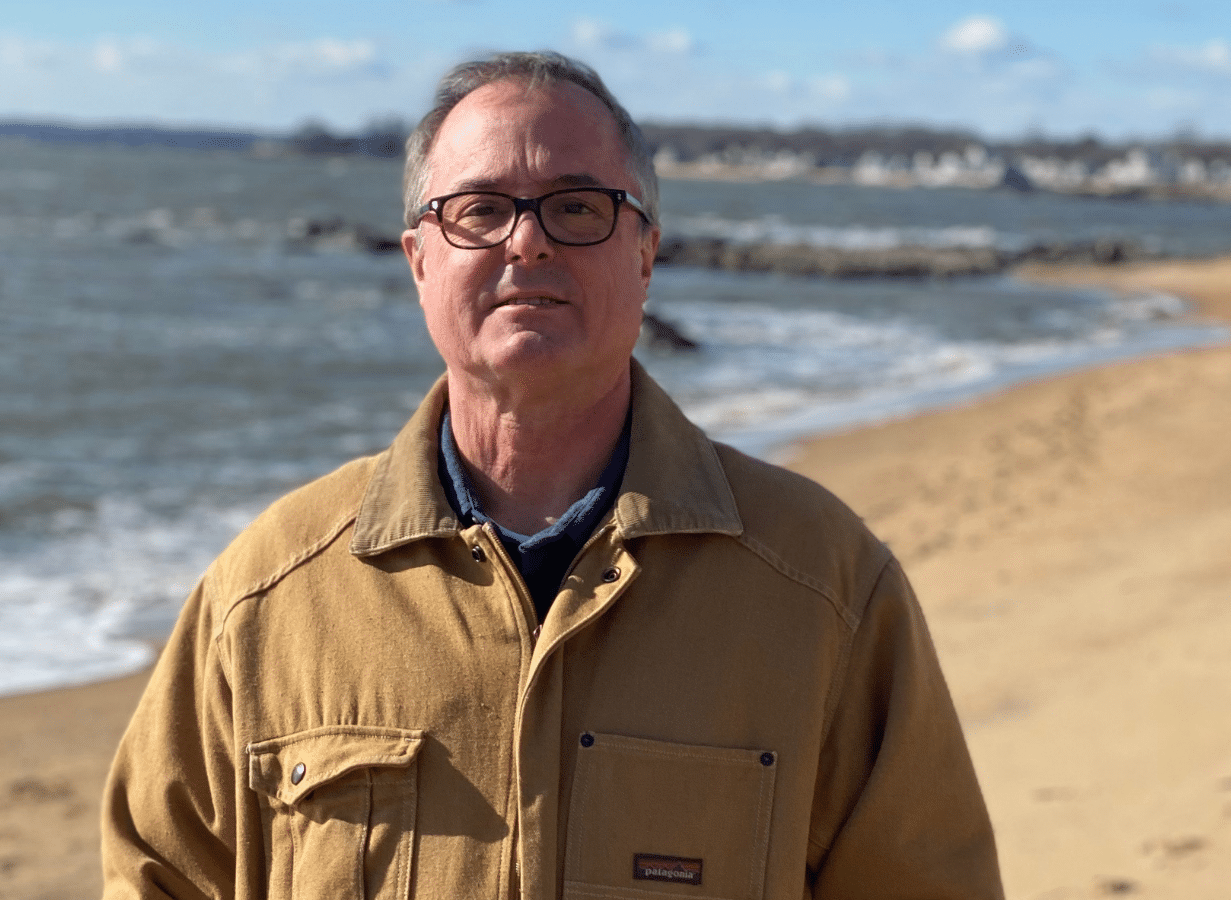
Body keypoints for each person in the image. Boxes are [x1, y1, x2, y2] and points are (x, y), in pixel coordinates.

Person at [102, 51, 1003, 900]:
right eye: (480, 210)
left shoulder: (823, 588)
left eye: (577, 207)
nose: (526, 243)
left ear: (645, 253)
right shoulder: (269, 595)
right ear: (419, 258)